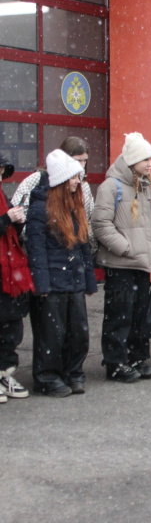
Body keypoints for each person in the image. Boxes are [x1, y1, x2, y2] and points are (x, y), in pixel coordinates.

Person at [93, 133, 151, 382]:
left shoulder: (145, 185)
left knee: (139, 315)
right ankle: (115, 362)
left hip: (143, 263)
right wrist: (125, 248)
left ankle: (137, 357)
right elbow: (100, 224)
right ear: (132, 159)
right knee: (119, 315)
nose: (149, 163)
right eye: (145, 158)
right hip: (121, 264)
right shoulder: (111, 187)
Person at [27, 149, 97, 396]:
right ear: (61, 181)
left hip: (74, 280)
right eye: (74, 177)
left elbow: (83, 246)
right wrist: (42, 285)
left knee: (78, 333)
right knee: (51, 335)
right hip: (54, 284)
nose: (79, 181)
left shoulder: (73, 207)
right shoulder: (39, 209)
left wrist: (89, 280)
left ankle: (73, 373)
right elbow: (36, 250)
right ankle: (47, 377)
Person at [12, 137, 96, 249]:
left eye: (85, 160)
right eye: (77, 160)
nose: (82, 165)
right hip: (43, 248)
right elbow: (18, 211)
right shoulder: (38, 178)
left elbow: (87, 218)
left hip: (74, 251)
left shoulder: (83, 185)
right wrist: (35, 237)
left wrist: (88, 246)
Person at [0, 152, 34, 401]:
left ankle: (5, 372)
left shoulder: (2, 194)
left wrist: (18, 221)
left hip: (10, 270)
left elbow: (10, 228)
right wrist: (6, 219)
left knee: (11, 324)